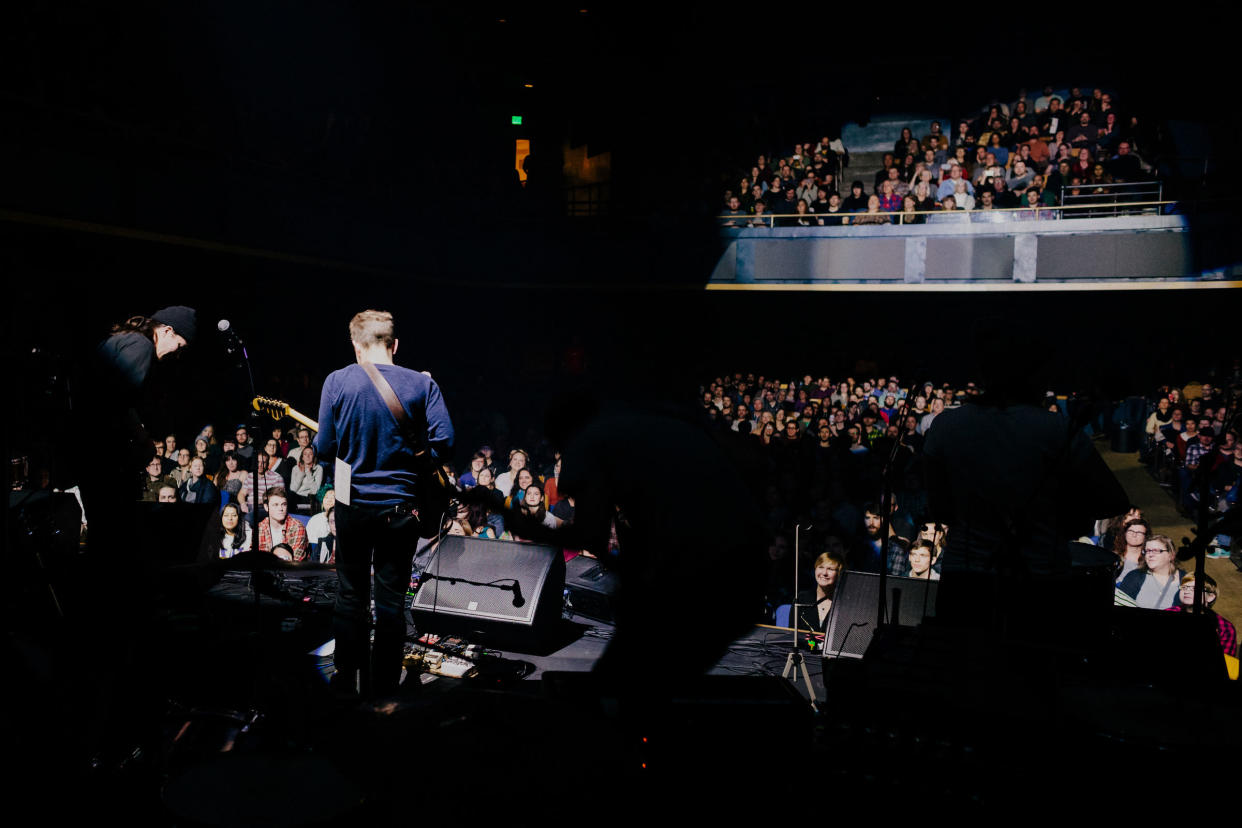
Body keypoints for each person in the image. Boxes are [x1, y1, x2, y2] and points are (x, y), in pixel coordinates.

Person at [315, 310, 455, 698]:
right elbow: (445, 444)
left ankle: (347, 680)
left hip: (353, 507)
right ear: (395, 345)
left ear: (357, 346)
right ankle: (384, 689)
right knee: (391, 601)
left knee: (350, 597)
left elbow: (324, 447)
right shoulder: (422, 386)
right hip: (402, 510)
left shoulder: (337, 381)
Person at [1117, 534, 1185, 609]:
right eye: (1147, 551)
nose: (1150, 554)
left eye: (1156, 551)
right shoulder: (1134, 576)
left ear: (1171, 555)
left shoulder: (1186, 580)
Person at [794, 551, 844, 634]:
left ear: (839, 574)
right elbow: (792, 635)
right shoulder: (801, 598)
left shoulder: (844, 603)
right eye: (821, 567)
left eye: (830, 569)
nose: (824, 573)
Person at [257, 487, 308, 562]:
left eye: (283, 504)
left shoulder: (297, 527)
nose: (281, 508)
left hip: (291, 571)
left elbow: (296, 561)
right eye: (276, 505)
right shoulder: (260, 528)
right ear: (266, 507)